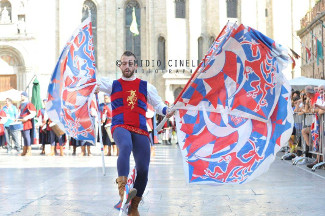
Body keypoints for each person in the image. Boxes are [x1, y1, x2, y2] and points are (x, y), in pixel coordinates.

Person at [97, 51, 174, 216]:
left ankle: (134, 206)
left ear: (135, 66)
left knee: (143, 169)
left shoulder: (146, 87)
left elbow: (159, 104)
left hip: (140, 129)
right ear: (120, 65)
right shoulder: (112, 84)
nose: (127, 66)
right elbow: (91, 82)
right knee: (125, 146)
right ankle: (122, 190)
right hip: (120, 125)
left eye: (130, 63)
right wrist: (91, 84)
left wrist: (167, 110)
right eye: (124, 63)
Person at [18, 91, 36, 156]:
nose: (21, 97)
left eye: (22, 96)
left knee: (27, 136)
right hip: (21, 122)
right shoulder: (21, 104)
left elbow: (33, 113)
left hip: (26, 122)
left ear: (25, 96)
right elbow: (20, 113)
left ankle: (29, 151)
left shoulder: (29, 104)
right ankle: (24, 151)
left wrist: (27, 118)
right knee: (24, 137)